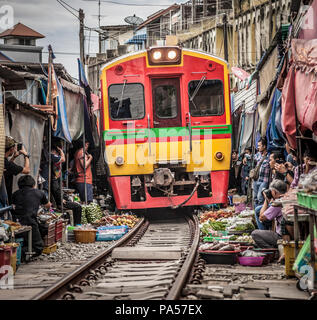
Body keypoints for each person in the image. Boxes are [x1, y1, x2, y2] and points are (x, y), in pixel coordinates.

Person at [11, 175, 51, 258]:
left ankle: (18, 251)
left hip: (15, 223)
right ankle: (16, 253)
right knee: (38, 247)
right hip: (30, 222)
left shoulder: (15, 194)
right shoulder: (39, 193)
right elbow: (48, 205)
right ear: (33, 184)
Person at [251, 179, 288, 248]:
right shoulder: (287, 198)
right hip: (289, 235)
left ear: (274, 192)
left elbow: (261, 218)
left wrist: (266, 200)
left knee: (254, 234)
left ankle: (272, 251)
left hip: (281, 236)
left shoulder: (277, 204)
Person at [4, 136, 30, 204]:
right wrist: (26, 155)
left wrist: (14, 157)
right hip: (4, 197)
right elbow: (27, 170)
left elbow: (8, 168)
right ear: (12, 148)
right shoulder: (7, 164)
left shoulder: (4, 162)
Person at [252, 137, 270, 208]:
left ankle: (260, 214)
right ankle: (256, 215)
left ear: (264, 146)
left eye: (259, 145)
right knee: (255, 198)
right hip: (256, 180)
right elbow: (251, 157)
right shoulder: (258, 155)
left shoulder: (269, 156)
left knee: (260, 198)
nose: (258, 147)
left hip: (264, 181)